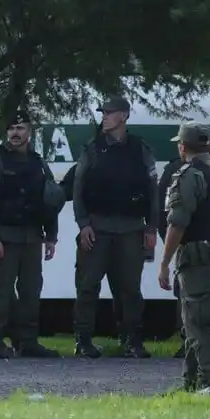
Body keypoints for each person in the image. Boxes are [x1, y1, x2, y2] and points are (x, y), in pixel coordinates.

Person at [72, 97, 158, 359]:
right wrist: (83, 224)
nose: (104, 117)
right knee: (88, 286)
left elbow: (153, 191)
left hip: (131, 228)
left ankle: (132, 340)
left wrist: (152, 228)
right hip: (97, 227)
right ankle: (83, 340)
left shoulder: (140, 148)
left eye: (109, 113)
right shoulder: (93, 148)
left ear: (124, 116)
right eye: (103, 113)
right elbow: (78, 188)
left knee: (130, 289)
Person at [0, 110, 61, 359]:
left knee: (31, 291)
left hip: (32, 237)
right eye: (11, 128)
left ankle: (28, 342)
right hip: (5, 237)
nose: (15, 133)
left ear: (29, 133)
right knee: (1, 292)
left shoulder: (38, 163)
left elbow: (50, 200)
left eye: (20, 128)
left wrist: (51, 236)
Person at [157, 122, 210, 395]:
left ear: (183, 146)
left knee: (199, 322)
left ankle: (208, 383)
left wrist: (164, 262)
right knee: (192, 319)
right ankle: (189, 384)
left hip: (196, 256)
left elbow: (177, 222)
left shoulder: (189, 175)